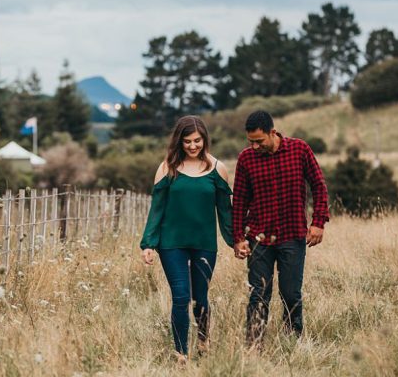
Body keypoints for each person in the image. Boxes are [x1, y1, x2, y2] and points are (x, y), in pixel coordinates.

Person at [140, 115, 235, 363]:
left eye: (197, 141)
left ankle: (203, 341)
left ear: (204, 139)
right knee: (181, 296)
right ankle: (181, 353)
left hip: (204, 243)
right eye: (187, 142)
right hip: (172, 244)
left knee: (200, 298)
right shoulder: (167, 168)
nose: (193, 146)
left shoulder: (217, 169)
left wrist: (236, 240)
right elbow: (157, 209)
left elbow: (225, 212)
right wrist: (148, 243)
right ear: (178, 142)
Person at [231, 110, 329, 343]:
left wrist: (318, 222)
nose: (254, 147)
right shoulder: (246, 159)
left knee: (291, 293)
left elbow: (319, 185)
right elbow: (240, 201)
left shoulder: (299, 150)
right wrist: (238, 238)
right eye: (250, 142)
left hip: (292, 235)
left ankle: (292, 341)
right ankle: (254, 344)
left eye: (259, 141)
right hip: (258, 238)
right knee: (258, 294)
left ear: (272, 132)